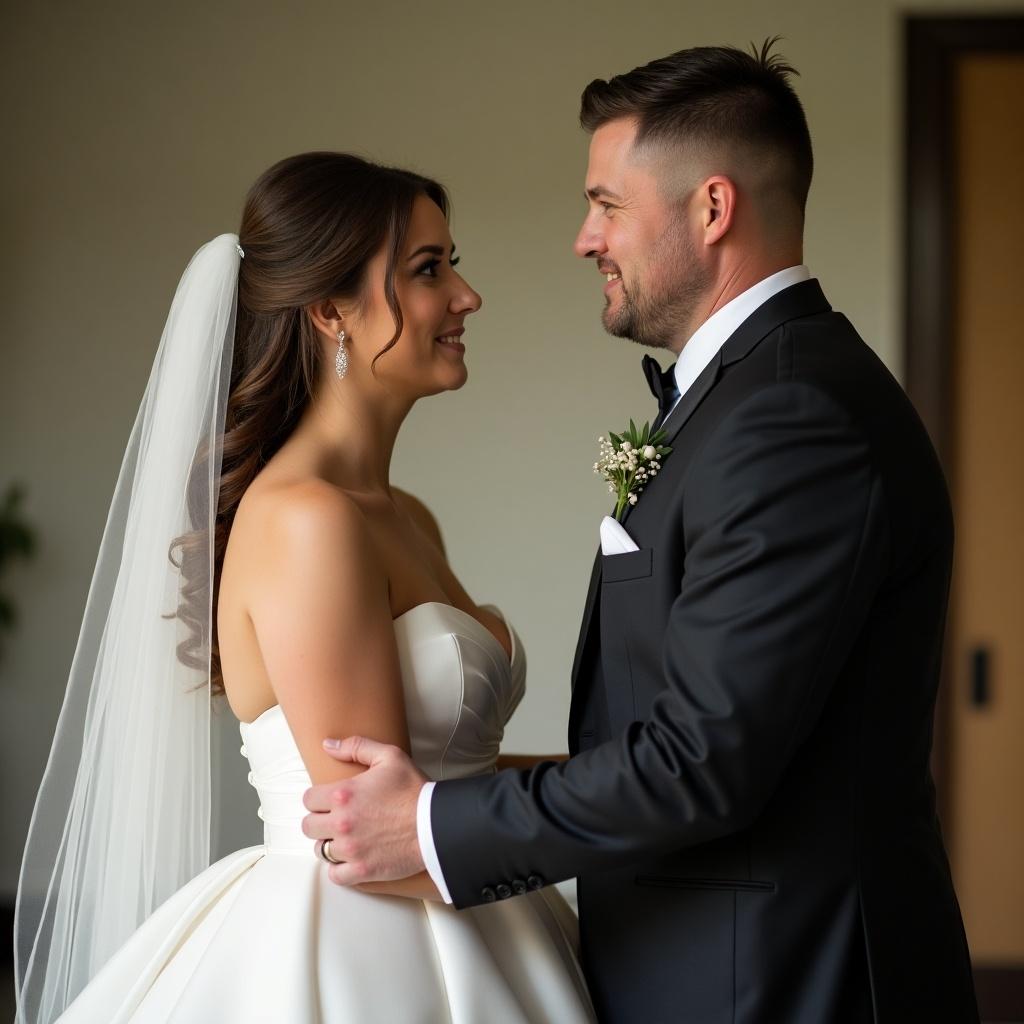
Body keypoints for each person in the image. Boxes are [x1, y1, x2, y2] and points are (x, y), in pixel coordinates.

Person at [302, 43, 981, 1023]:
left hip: (782, 981)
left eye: (606, 205)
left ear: (711, 210)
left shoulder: (792, 417)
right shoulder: (748, 397)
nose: (584, 238)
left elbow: (702, 757)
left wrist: (434, 822)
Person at [14, 152, 595, 1023]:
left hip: (482, 912)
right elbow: (375, 833)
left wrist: (624, 783)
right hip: (372, 948)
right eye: (429, 270)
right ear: (331, 311)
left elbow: (443, 781)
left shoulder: (403, 514)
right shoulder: (307, 520)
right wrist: (634, 826)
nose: (466, 296)